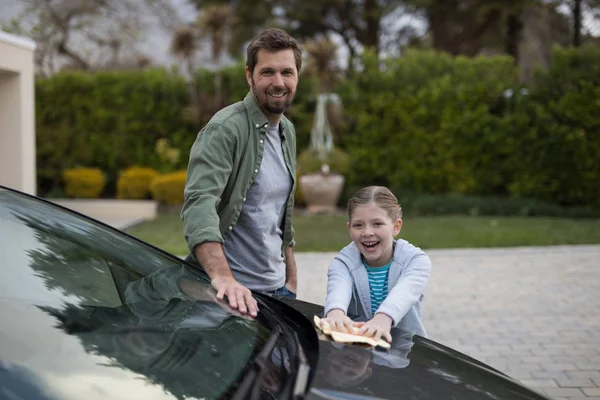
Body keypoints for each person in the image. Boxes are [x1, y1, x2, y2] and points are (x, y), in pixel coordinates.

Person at [181, 28, 302, 318]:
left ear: (298, 76)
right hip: (226, 298)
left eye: (287, 72)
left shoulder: (287, 130)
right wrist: (224, 279)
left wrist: (291, 279)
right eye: (267, 72)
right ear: (249, 75)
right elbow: (199, 205)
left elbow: (279, 214)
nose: (278, 82)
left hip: (277, 293)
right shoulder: (225, 129)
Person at [321, 186, 432, 342]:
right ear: (349, 228)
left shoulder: (416, 261)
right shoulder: (343, 263)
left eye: (377, 224)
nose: (367, 232)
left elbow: (405, 293)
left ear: (396, 227)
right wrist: (335, 313)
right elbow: (338, 288)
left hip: (406, 353)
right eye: (358, 225)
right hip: (358, 354)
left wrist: (383, 318)